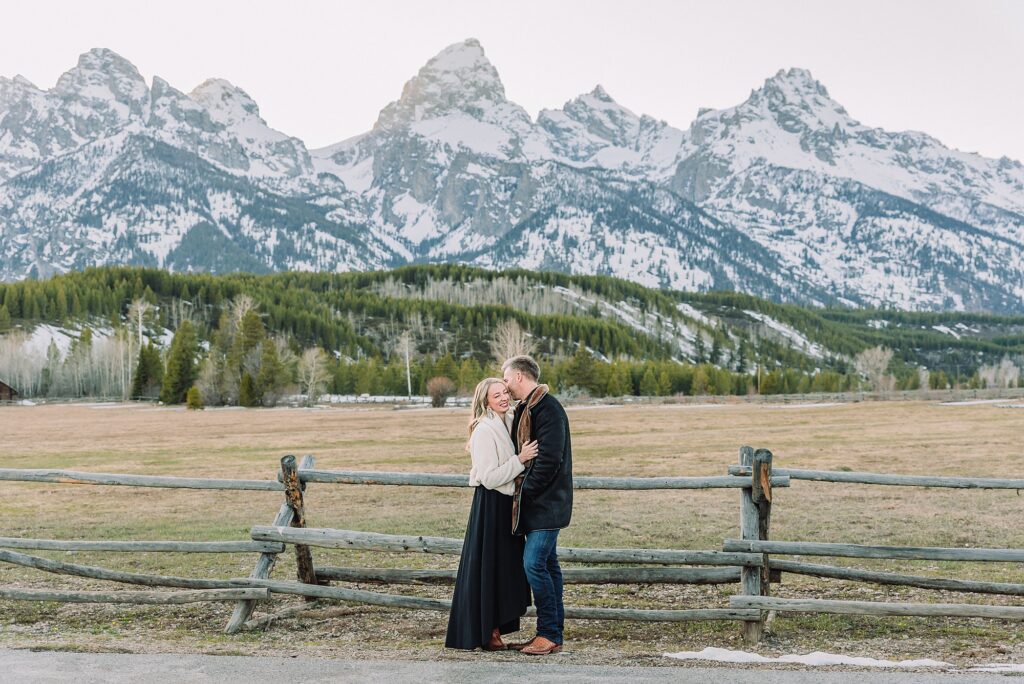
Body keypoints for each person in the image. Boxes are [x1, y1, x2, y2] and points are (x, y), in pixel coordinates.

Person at [445, 377, 538, 651]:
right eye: (496, 395)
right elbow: (487, 477)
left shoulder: (509, 420)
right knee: (489, 567)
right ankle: (489, 630)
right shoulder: (484, 430)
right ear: (485, 400)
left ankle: (497, 626)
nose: (503, 398)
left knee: (504, 567)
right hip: (491, 505)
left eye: (505, 392)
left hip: (506, 504)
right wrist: (520, 460)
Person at [502, 355, 573, 656]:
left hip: (547, 504)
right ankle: (552, 633)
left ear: (519, 376)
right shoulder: (527, 409)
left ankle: (548, 633)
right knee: (548, 565)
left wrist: (524, 491)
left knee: (533, 564)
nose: (505, 385)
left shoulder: (548, 409)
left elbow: (549, 460)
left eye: (506, 379)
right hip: (539, 505)